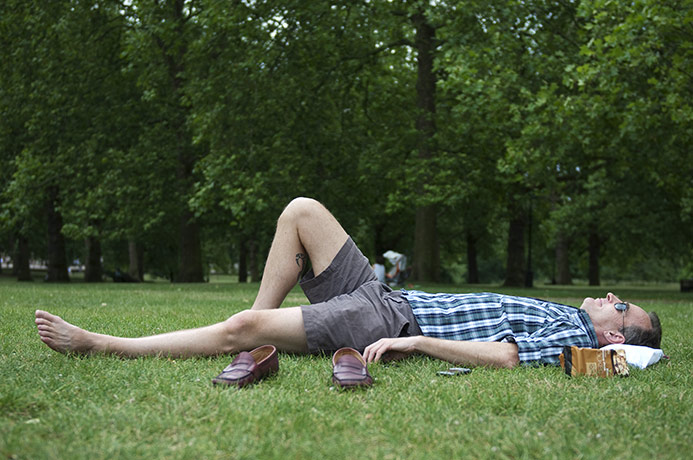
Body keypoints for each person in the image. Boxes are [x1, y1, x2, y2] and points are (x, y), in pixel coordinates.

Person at [35, 197, 662, 368]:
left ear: (615, 339)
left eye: (622, 306)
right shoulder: (568, 315)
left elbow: (502, 355)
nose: (611, 297)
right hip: (385, 295)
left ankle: (104, 344)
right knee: (301, 211)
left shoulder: (571, 338)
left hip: (390, 322)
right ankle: (256, 342)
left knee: (244, 326)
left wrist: (415, 343)